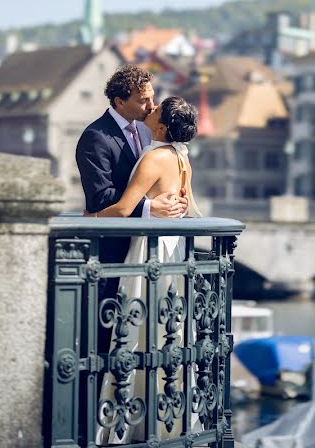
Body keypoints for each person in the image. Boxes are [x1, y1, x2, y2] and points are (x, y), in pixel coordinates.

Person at [92, 95, 201, 445]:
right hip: (174, 252)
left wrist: (89, 219)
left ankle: (123, 422)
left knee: (135, 329)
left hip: (148, 252)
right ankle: (166, 420)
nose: (150, 110)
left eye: (156, 109)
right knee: (167, 331)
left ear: (163, 126)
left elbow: (124, 209)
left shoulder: (154, 158)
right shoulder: (182, 159)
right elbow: (188, 208)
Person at [75, 65, 188, 353]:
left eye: (152, 99)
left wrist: (175, 201)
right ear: (119, 102)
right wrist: (150, 208)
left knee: (145, 333)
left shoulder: (147, 129)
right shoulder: (95, 137)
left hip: (144, 250)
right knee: (108, 337)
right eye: (143, 101)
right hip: (113, 252)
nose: (151, 106)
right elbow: (100, 197)